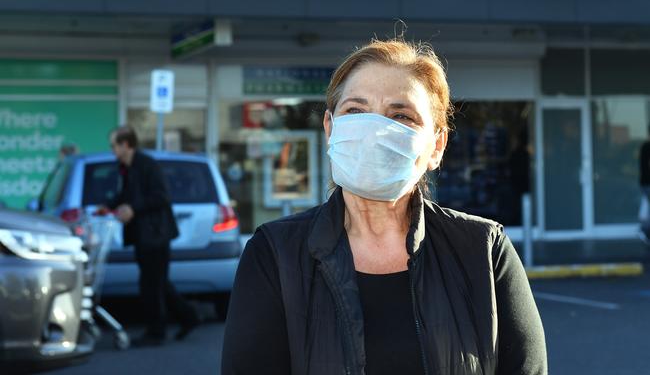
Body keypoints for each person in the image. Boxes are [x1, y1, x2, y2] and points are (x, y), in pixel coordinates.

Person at [222, 39, 547, 374]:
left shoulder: (484, 252)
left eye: (400, 115)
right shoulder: (275, 255)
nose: (375, 132)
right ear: (330, 129)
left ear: (437, 145)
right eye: (356, 111)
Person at [105, 125, 199, 347]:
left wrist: (133, 209)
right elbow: (126, 194)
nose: (112, 149)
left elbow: (161, 197)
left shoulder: (147, 165)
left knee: (151, 285)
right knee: (158, 282)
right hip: (142, 235)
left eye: (114, 144)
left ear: (126, 145)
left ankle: (156, 332)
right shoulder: (126, 168)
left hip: (156, 234)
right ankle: (189, 317)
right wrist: (109, 205)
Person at [639, 125, 650, 240]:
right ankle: (645, 231)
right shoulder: (647, 147)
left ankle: (645, 230)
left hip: (644, 182)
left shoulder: (644, 147)